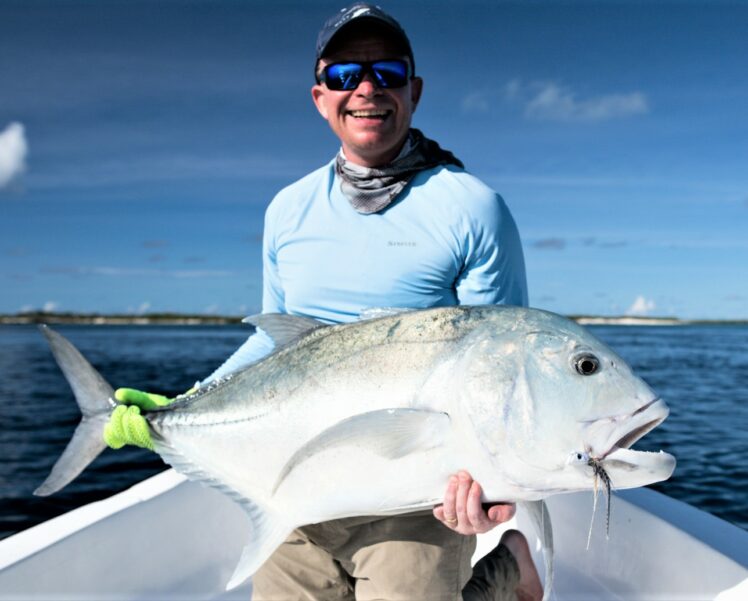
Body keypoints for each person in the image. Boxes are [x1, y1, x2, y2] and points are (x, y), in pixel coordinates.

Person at [106, 4, 543, 600]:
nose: (366, 88)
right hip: (299, 482)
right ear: (320, 96)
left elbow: (500, 368)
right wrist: (182, 405)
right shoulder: (287, 210)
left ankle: (509, 565)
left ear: (413, 91)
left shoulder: (471, 208)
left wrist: (490, 489)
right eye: (345, 76)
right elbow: (272, 342)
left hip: (414, 495)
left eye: (386, 72)